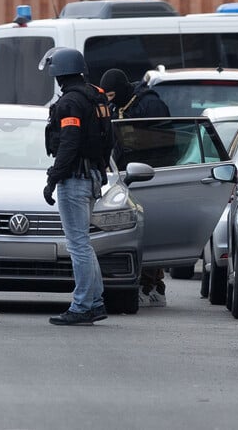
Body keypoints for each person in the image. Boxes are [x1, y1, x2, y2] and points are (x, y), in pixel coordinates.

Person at [41, 48, 111, 325]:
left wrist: (53, 178)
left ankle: (82, 306)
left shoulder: (71, 102)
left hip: (75, 178)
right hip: (92, 174)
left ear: (59, 73)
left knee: (78, 244)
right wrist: (101, 169)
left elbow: (69, 143)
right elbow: (110, 139)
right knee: (84, 243)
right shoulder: (96, 97)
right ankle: (94, 302)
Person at [100, 67, 171, 307]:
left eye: (111, 95)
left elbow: (163, 140)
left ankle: (150, 284)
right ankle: (151, 285)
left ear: (119, 91)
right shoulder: (115, 106)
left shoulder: (150, 105)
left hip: (148, 176)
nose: (109, 100)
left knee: (149, 233)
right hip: (121, 178)